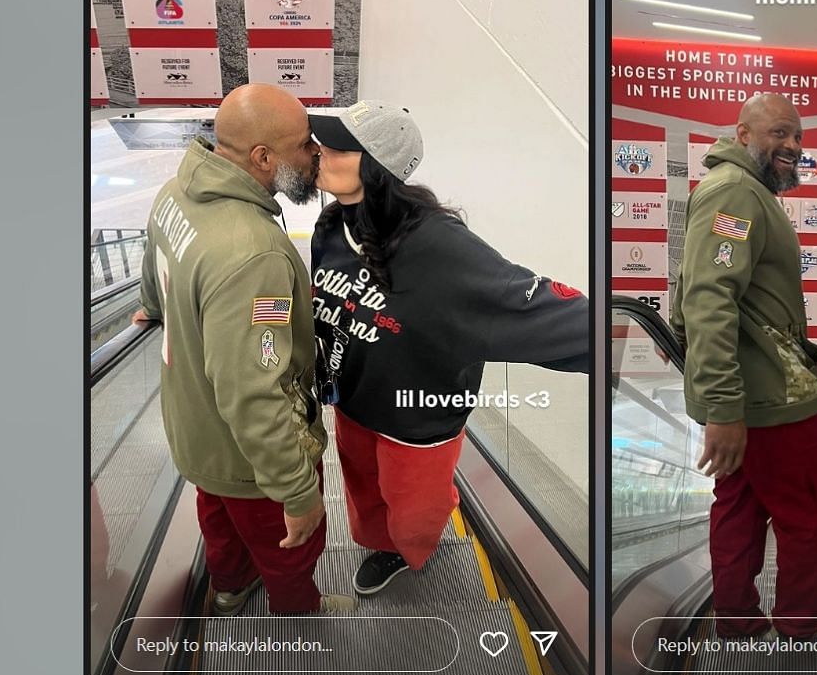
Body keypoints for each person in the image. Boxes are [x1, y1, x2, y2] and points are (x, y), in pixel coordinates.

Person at [306, 101, 590, 596]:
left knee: (414, 513)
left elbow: (522, 302)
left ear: (377, 164)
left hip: (418, 415)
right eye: (323, 143)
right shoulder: (331, 226)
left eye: (338, 147)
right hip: (352, 400)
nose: (321, 153)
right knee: (365, 496)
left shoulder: (436, 243)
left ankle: (415, 542)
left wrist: (628, 341)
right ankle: (384, 546)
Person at [135, 84, 354, 616]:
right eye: (305, 146)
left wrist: (152, 306)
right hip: (251, 460)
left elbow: (153, 266)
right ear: (263, 158)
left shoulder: (174, 194)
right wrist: (297, 495)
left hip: (196, 432)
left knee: (218, 521)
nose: (315, 156)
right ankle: (299, 614)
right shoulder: (253, 255)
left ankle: (230, 589)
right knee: (289, 547)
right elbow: (254, 391)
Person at [668, 93, 817, 641]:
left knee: (739, 506)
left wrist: (721, 400)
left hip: (753, 394)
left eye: (798, 138)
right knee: (810, 513)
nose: (792, 145)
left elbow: (698, 296)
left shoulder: (742, 191)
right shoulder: (736, 193)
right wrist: (722, 406)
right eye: (780, 133)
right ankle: (798, 629)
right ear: (743, 135)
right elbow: (708, 298)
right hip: (772, 402)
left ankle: (738, 623)